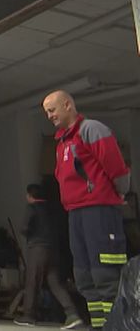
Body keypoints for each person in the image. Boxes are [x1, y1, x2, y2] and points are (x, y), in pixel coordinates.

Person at [42, 90, 130, 329]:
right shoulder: (62, 142)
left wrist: (119, 192)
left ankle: (116, 325)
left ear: (68, 105)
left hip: (99, 211)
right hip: (76, 213)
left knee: (105, 274)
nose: (49, 116)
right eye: (46, 112)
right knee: (85, 277)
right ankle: (100, 325)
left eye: (52, 110)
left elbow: (117, 167)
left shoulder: (91, 130)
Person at [13, 183, 83, 328]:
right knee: (55, 282)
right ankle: (72, 313)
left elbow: (24, 228)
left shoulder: (32, 208)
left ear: (30, 196)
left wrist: (29, 234)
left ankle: (28, 315)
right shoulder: (53, 210)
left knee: (32, 280)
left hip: (37, 249)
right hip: (54, 250)